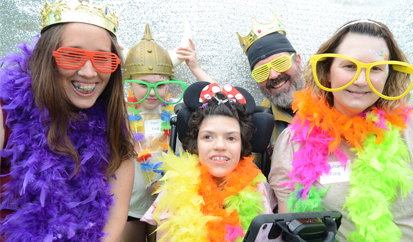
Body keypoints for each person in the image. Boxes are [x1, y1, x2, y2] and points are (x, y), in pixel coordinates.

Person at [269, 19, 413, 241]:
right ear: (328, 71)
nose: (360, 80)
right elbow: (292, 231)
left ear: (388, 76)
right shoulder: (295, 142)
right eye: (349, 66)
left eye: (375, 68)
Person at [0, 0, 136, 241]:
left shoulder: (116, 134)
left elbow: (111, 229)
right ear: (45, 57)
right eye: (72, 56)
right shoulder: (6, 116)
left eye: (103, 59)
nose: (88, 72)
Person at [141, 82, 276, 241]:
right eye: (208, 137)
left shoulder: (257, 188)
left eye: (231, 138)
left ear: (242, 144)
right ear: (195, 142)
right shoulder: (174, 192)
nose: (219, 146)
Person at [122, 23, 214, 242]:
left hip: (167, 203)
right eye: (143, 85)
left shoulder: (177, 108)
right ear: (129, 85)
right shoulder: (120, 110)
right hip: (129, 204)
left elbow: (222, 98)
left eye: (161, 85)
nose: (153, 92)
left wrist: (194, 67)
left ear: (170, 85)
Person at [237, 12, 304, 146]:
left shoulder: (334, 99)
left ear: (298, 61)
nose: (273, 75)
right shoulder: (257, 125)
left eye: (281, 63)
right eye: (261, 71)